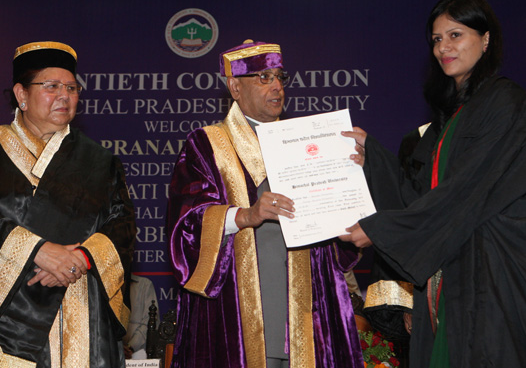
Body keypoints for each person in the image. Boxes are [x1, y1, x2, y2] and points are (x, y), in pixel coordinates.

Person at [340, 0, 526, 368]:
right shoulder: (450, 118)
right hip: (453, 272)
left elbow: (466, 192)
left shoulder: (508, 103)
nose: (443, 48)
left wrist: (380, 230)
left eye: (455, 35)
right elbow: (422, 196)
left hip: (497, 275)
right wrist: (374, 157)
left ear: (486, 39)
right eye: (437, 39)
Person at [166, 39, 363, 368]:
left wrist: (350, 177)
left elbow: (341, 233)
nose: (276, 87)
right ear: (235, 87)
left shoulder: (307, 140)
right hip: (238, 308)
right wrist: (245, 215)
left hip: (308, 305)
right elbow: (186, 222)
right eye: (263, 77)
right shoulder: (207, 143)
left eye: (279, 77)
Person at [0, 41, 136, 367]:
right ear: (21, 95)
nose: (65, 95)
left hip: (82, 307)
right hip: (11, 322)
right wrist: (36, 250)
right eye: (51, 86)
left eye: (72, 88)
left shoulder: (100, 163)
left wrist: (83, 258)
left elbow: (122, 226)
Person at [123, 274, 160, 359]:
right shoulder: (104, 288)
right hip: (110, 352)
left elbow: (151, 322)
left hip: (138, 353)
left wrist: (130, 347)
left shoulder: (145, 285)